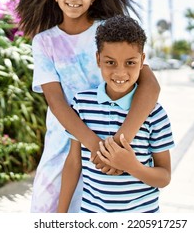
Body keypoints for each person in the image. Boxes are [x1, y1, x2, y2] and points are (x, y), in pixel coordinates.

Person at [16, 0, 160, 213]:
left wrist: (116, 146)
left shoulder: (108, 31)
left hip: (118, 143)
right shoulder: (44, 42)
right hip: (63, 148)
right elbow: (57, 102)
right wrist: (97, 148)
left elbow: (151, 86)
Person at [57, 15, 175, 213]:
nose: (120, 73)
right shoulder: (82, 104)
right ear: (98, 59)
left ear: (142, 61)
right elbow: (73, 162)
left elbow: (164, 177)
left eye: (130, 63)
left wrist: (132, 166)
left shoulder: (155, 114)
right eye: (110, 62)